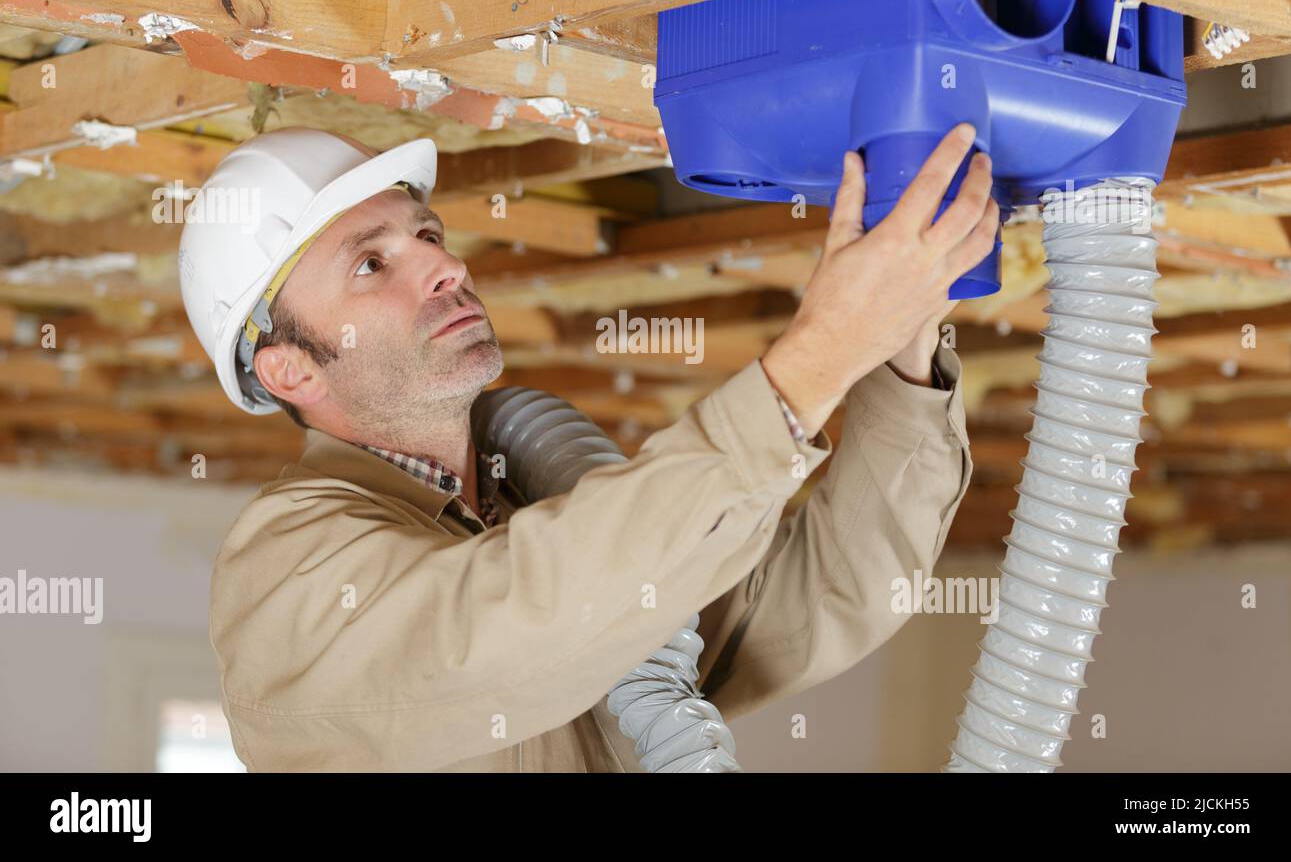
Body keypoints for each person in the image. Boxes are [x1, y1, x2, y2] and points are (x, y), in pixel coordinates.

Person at [177, 122, 997, 770]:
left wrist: (898, 349)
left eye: (425, 233)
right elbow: (509, 620)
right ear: (288, 368)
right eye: (369, 263)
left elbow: (821, 599)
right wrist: (819, 354)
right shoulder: (285, 572)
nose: (442, 265)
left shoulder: (538, 506)